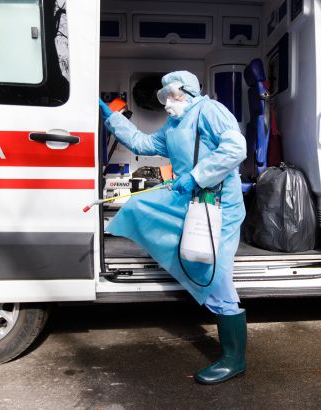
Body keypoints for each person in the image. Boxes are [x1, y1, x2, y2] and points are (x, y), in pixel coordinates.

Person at [99, 71, 247, 384]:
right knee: (139, 206)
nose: (167, 103)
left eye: (172, 96)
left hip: (218, 206)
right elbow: (141, 142)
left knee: (217, 275)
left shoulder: (210, 111)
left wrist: (196, 176)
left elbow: (235, 149)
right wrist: (112, 118)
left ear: (188, 92)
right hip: (189, 202)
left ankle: (234, 359)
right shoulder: (174, 124)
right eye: (164, 97)